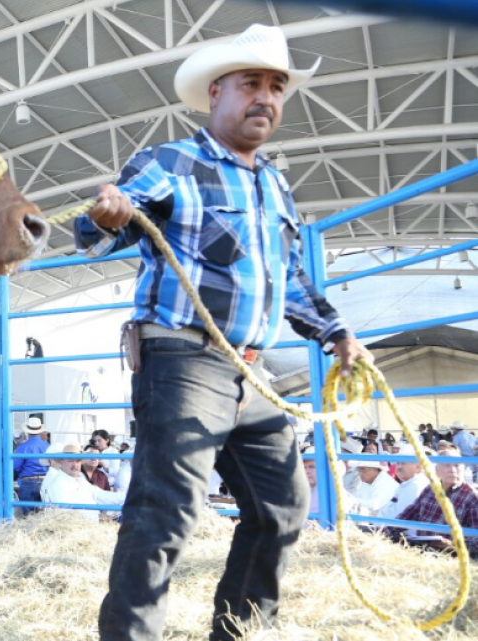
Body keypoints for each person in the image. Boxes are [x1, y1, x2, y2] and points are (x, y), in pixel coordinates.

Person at [75, 24, 374, 640]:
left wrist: (336, 335)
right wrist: (103, 215)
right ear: (216, 93)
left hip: (250, 372)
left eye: (276, 86)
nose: (265, 97)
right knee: (168, 511)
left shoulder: (275, 185)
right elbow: (104, 227)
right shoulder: (170, 162)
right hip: (184, 358)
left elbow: (288, 279)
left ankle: (240, 631)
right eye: (251, 84)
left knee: (284, 505)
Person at [386, 446, 478, 558]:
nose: (453, 470)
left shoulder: (471, 497)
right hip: (421, 550)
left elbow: (475, 542)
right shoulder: (430, 489)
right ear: (437, 470)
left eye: (457, 465)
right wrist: (383, 532)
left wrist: (451, 545)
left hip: (448, 557)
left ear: (463, 469)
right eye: (447, 465)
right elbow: (409, 513)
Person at [39, 443, 127, 522]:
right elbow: (67, 513)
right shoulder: (57, 484)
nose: (75, 465)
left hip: (91, 524)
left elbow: (99, 494)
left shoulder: (79, 478)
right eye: (70, 460)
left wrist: (128, 496)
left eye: (78, 461)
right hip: (80, 527)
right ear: (61, 462)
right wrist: (98, 517)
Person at [379, 444, 431, 537]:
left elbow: (399, 516)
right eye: (398, 463)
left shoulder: (415, 486)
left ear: (418, 467)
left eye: (403, 463)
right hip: (390, 533)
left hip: (402, 538)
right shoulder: (408, 484)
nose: (398, 467)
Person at [13, 417, 50, 516]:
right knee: (44, 515)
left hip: (28, 482)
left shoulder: (23, 447)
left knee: (27, 516)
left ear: (27, 432)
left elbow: (16, 467)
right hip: (46, 481)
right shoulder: (47, 446)